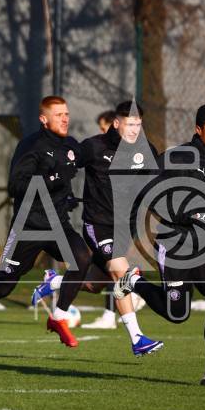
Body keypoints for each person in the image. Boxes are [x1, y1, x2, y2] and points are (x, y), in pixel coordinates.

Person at [0, 96, 94, 368]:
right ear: (44, 119)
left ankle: (58, 316)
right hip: (28, 227)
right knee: (4, 285)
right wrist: (53, 179)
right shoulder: (31, 146)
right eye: (58, 115)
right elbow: (16, 187)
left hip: (58, 225)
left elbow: (89, 161)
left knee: (82, 257)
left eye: (66, 114)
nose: (65, 119)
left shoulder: (71, 145)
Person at [115, 103, 205, 386]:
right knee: (177, 314)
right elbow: (144, 188)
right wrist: (175, 213)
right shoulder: (177, 157)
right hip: (175, 244)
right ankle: (134, 281)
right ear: (199, 129)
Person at [65, 101, 163, 355]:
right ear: (117, 123)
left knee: (95, 284)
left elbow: (156, 185)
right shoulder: (94, 147)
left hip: (124, 229)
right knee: (121, 272)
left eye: (138, 124)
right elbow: (66, 167)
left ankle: (54, 282)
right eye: (130, 124)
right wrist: (61, 193)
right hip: (97, 225)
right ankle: (137, 339)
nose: (134, 130)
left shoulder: (145, 150)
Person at [82, 109, 120, 328]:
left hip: (121, 224)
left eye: (104, 127)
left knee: (113, 269)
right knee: (95, 282)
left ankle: (111, 315)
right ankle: (55, 283)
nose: (102, 132)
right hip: (99, 223)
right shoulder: (95, 148)